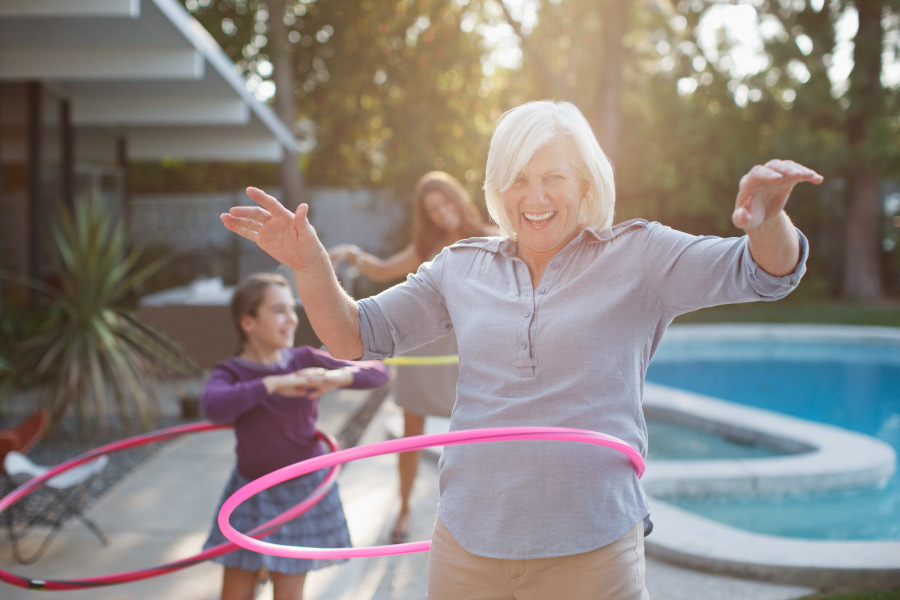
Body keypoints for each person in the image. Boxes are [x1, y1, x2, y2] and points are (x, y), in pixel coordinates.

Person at [219, 100, 822, 599]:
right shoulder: (459, 269)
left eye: (554, 176)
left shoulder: (642, 256)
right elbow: (354, 336)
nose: (535, 196)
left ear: (586, 181)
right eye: (519, 178)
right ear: (497, 188)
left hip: (591, 548)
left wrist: (767, 224)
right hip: (467, 546)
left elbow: (762, 273)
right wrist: (312, 265)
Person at [327, 170, 496, 544]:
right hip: (424, 348)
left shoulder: (491, 237)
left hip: (466, 351)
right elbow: (384, 268)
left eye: (445, 203)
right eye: (433, 210)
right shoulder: (427, 248)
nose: (441, 213)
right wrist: (351, 256)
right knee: (411, 431)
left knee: (475, 434)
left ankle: (477, 511)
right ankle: (404, 507)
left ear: (458, 198)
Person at [200, 272, 389, 600]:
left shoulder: (304, 359)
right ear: (248, 322)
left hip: (301, 490)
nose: (291, 319)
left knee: (288, 594)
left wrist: (338, 379)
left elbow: (377, 371)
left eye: (292, 309)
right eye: (278, 310)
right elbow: (214, 406)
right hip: (250, 490)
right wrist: (272, 385)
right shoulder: (232, 373)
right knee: (234, 593)